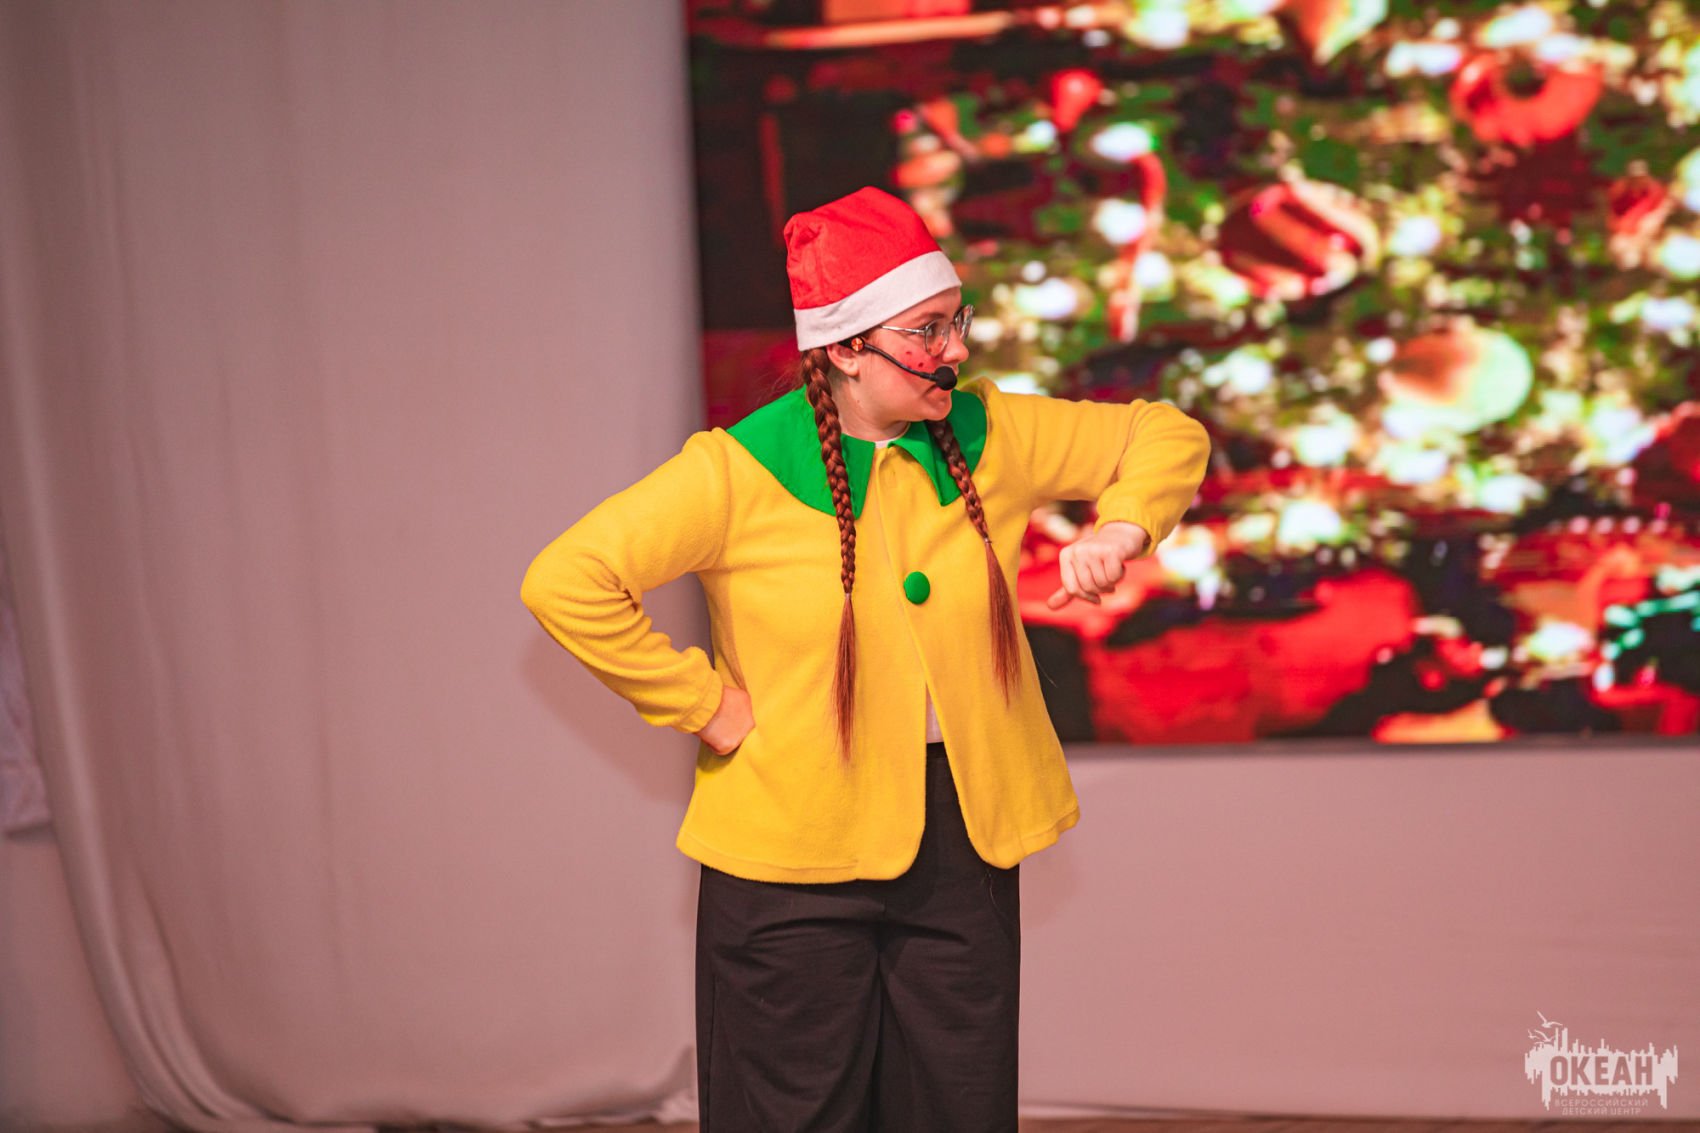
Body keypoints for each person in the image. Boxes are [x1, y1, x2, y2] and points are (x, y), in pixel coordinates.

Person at [521, 186, 1211, 1132]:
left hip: (961, 838)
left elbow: (1163, 431)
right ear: (845, 348)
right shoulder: (738, 469)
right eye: (927, 331)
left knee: (957, 1105)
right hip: (789, 851)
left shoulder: (992, 433)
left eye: (957, 321)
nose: (955, 350)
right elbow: (568, 579)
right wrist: (703, 704)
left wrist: (1122, 527)